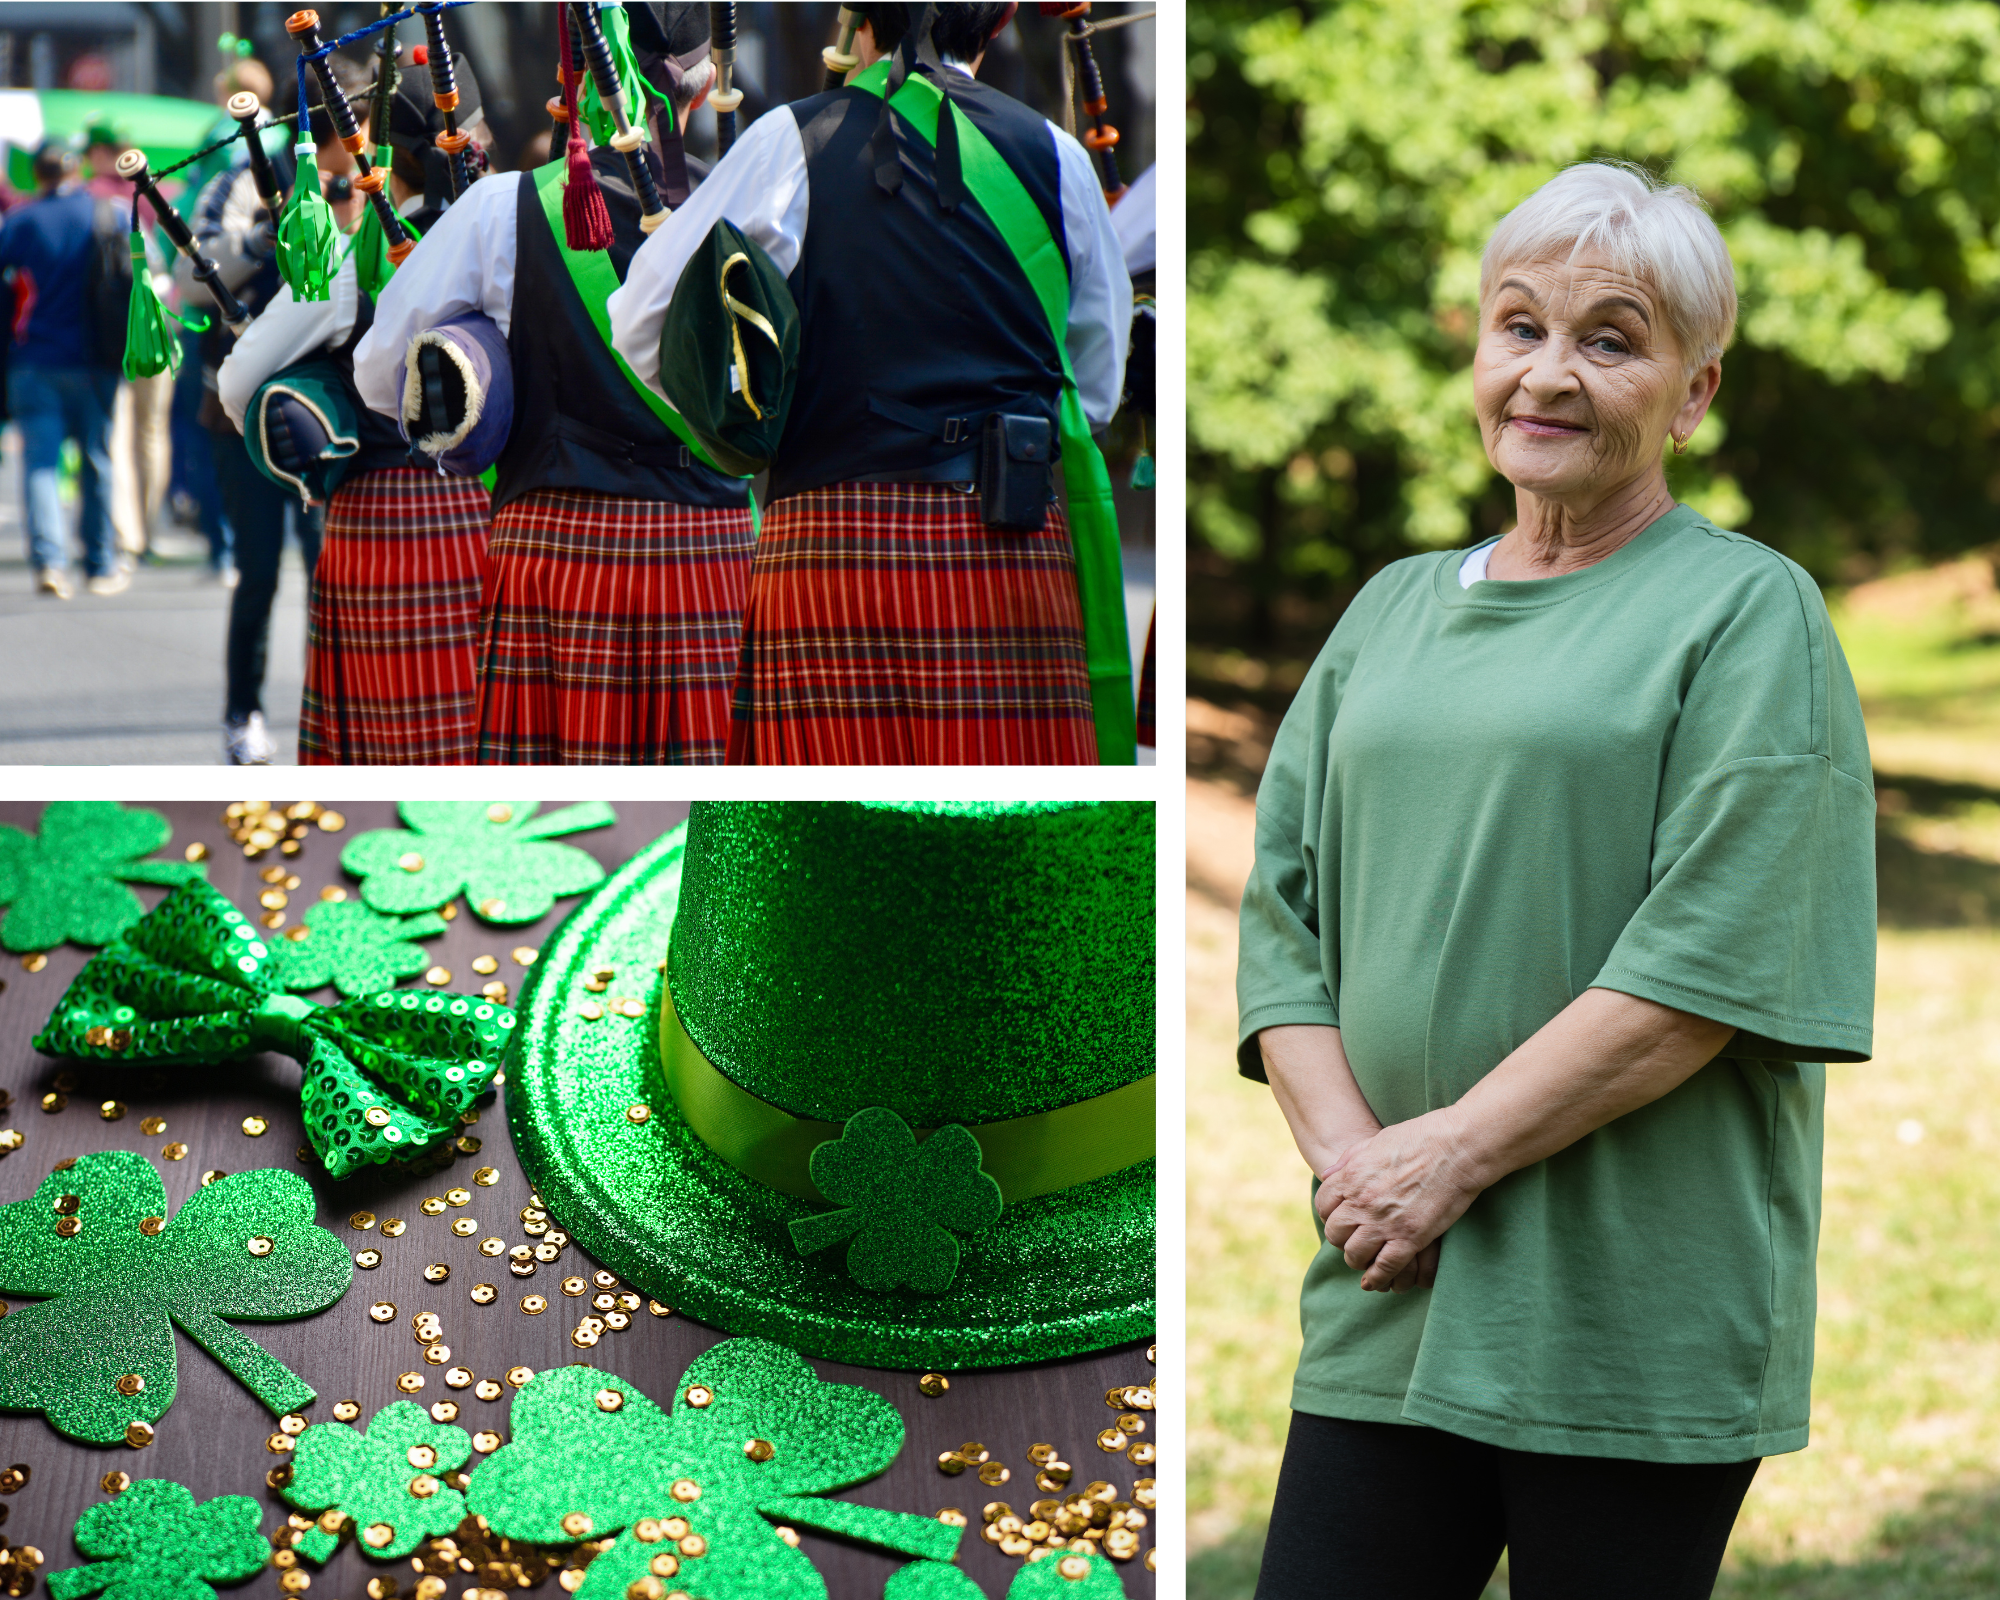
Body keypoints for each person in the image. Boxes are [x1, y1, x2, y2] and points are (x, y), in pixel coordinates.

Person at [1237, 162, 1878, 1600]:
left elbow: (1704, 965)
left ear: (1694, 392)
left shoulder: (1747, 612)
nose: (1550, 374)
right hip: (1388, 1289)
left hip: (1624, 1308)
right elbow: (1284, 922)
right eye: (1518, 327)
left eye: (1612, 338)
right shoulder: (1389, 607)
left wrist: (1444, 1158)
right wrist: (1362, 1175)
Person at [610, 1, 1132, 765]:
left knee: (832, 845)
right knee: (1008, 843)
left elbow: (642, 319)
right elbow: (1094, 385)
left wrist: (746, 430)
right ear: (1002, 16)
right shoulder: (1056, 156)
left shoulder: (795, 137)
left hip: (825, 549)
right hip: (1009, 547)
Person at [354, 3, 754, 765]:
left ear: (570, 86)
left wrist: (485, 360)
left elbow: (381, 378)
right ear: (700, 93)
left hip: (555, 553)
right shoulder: (749, 200)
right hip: (713, 556)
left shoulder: (500, 207)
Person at [219, 51, 494, 766]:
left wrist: (318, 397)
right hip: (499, 522)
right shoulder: (519, 242)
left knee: (393, 749)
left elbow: (238, 381)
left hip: (383, 520)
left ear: (386, 159)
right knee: (486, 736)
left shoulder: (349, 259)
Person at [180, 60, 374, 763]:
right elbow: (185, 282)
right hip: (242, 413)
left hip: (338, 417)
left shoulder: (370, 182)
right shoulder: (245, 181)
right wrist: (258, 243)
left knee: (332, 572)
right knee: (258, 570)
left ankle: (339, 717)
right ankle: (244, 713)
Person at [0, 139, 123, 600]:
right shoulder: (105, 212)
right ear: (76, 170)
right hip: (97, 358)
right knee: (96, 460)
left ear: (38, 174)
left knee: (40, 464)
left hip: (34, 359)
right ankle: (100, 562)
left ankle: (51, 561)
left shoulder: (21, 221)